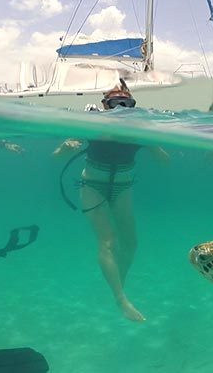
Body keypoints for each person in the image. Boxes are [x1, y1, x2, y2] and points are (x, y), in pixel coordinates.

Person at [54, 79, 167, 322]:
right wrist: (66, 146)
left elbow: (165, 162)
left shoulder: (140, 129)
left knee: (131, 243)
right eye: (115, 103)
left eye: (127, 104)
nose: (121, 110)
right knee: (108, 241)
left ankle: (118, 286)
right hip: (92, 187)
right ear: (105, 105)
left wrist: (154, 144)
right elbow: (56, 155)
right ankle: (120, 299)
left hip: (123, 188)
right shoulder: (92, 125)